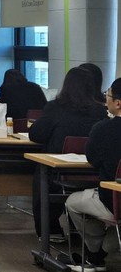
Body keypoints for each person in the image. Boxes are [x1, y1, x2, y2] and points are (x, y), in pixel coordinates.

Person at [28, 67, 108, 242]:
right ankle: (78, 230)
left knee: (40, 174)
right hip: (92, 172)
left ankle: (50, 230)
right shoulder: (100, 111)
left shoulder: (55, 108)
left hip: (57, 171)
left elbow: (36, 135)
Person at [65, 78, 121, 272]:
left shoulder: (104, 128)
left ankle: (94, 252)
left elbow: (93, 159)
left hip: (112, 199)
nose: (106, 98)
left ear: (118, 103)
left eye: (108, 95)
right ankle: (100, 253)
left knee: (72, 202)